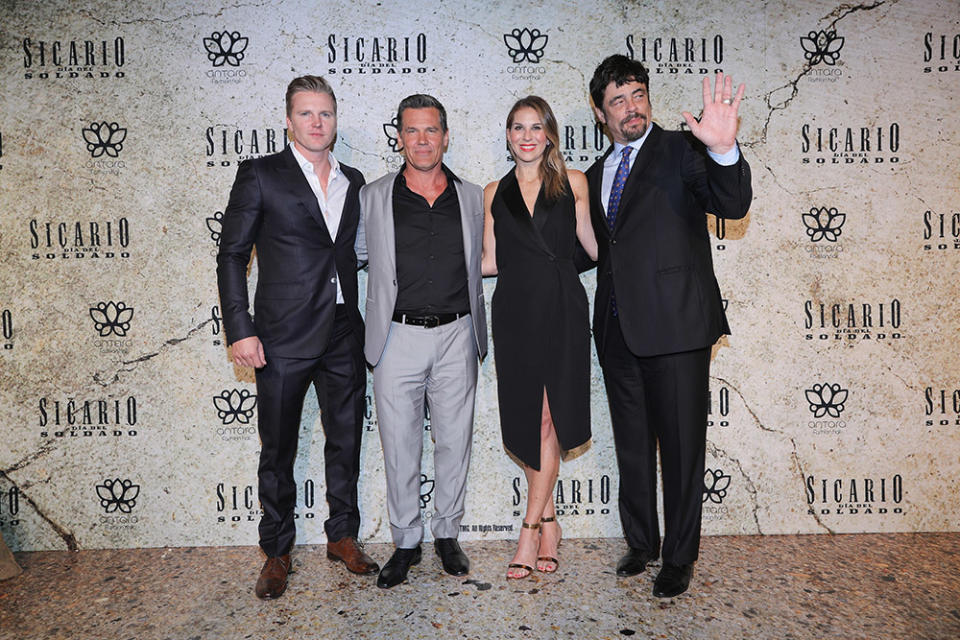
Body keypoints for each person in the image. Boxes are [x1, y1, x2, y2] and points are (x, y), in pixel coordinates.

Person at [585, 55, 752, 597]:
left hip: (678, 329)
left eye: (637, 94)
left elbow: (732, 200)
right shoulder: (592, 174)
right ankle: (642, 543)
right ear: (599, 111)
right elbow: (584, 252)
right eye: (617, 100)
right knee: (632, 446)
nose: (630, 107)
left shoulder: (684, 148)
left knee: (681, 448)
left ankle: (679, 557)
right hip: (617, 332)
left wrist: (723, 148)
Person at [217, 75, 378, 600]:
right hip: (281, 336)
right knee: (279, 447)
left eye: (326, 114)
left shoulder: (353, 179)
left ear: (335, 120)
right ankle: (277, 550)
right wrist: (241, 330)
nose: (316, 123)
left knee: (346, 439)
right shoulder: (261, 175)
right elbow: (232, 255)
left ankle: (343, 535)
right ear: (288, 119)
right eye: (306, 114)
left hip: (341, 331)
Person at [357, 94, 488, 589]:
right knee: (399, 444)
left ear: (446, 136)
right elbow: (358, 256)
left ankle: (447, 535)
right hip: (397, 336)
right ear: (399, 137)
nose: (422, 140)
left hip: (458, 333)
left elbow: (488, 257)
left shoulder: (474, 196)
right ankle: (406, 541)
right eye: (412, 131)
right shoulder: (374, 196)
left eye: (431, 130)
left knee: (455, 441)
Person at [480, 96, 598, 579]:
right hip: (513, 311)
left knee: (551, 416)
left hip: (563, 307)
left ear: (549, 134)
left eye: (536, 127)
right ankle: (551, 521)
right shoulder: (492, 192)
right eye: (517, 128)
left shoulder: (574, 183)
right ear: (508, 136)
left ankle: (528, 530)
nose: (527, 136)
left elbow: (592, 244)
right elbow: (489, 261)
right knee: (528, 419)